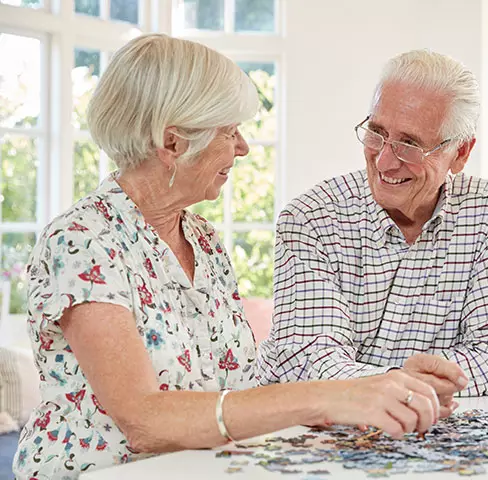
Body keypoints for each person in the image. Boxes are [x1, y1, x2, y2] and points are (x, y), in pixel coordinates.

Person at [13, 34, 441, 480]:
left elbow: (236, 393)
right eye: (228, 131)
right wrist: (328, 397)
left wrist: (376, 382)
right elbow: (145, 421)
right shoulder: (81, 240)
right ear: (172, 143)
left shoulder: (204, 240)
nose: (243, 148)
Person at [256, 50, 488, 407]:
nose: (384, 160)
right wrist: (415, 383)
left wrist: (387, 384)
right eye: (376, 133)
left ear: (461, 153)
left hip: (433, 437)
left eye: (410, 144)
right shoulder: (311, 219)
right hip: (312, 433)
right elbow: (310, 365)